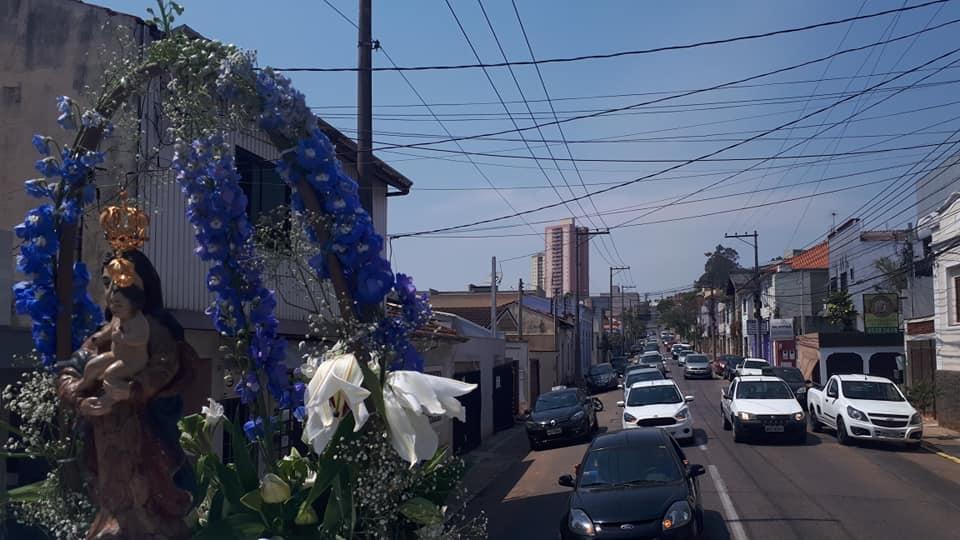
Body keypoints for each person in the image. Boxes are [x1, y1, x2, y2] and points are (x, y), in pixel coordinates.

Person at [57, 249, 196, 540]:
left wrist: (133, 390)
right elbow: (72, 370)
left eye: (121, 285)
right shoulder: (103, 333)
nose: (112, 293)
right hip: (106, 433)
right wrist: (80, 400)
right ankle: (116, 521)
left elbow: (165, 365)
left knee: (147, 488)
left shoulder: (155, 331)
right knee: (112, 489)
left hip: (145, 430)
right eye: (107, 284)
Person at [75, 283, 150, 415]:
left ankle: (109, 400)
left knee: (111, 375)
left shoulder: (138, 321)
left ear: (133, 305)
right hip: (116, 354)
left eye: (119, 305)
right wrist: (99, 338)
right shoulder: (117, 317)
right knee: (93, 365)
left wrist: (122, 337)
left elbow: (141, 338)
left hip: (133, 361)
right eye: (113, 303)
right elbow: (109, 330)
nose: (114, 307)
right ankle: (83, 383)